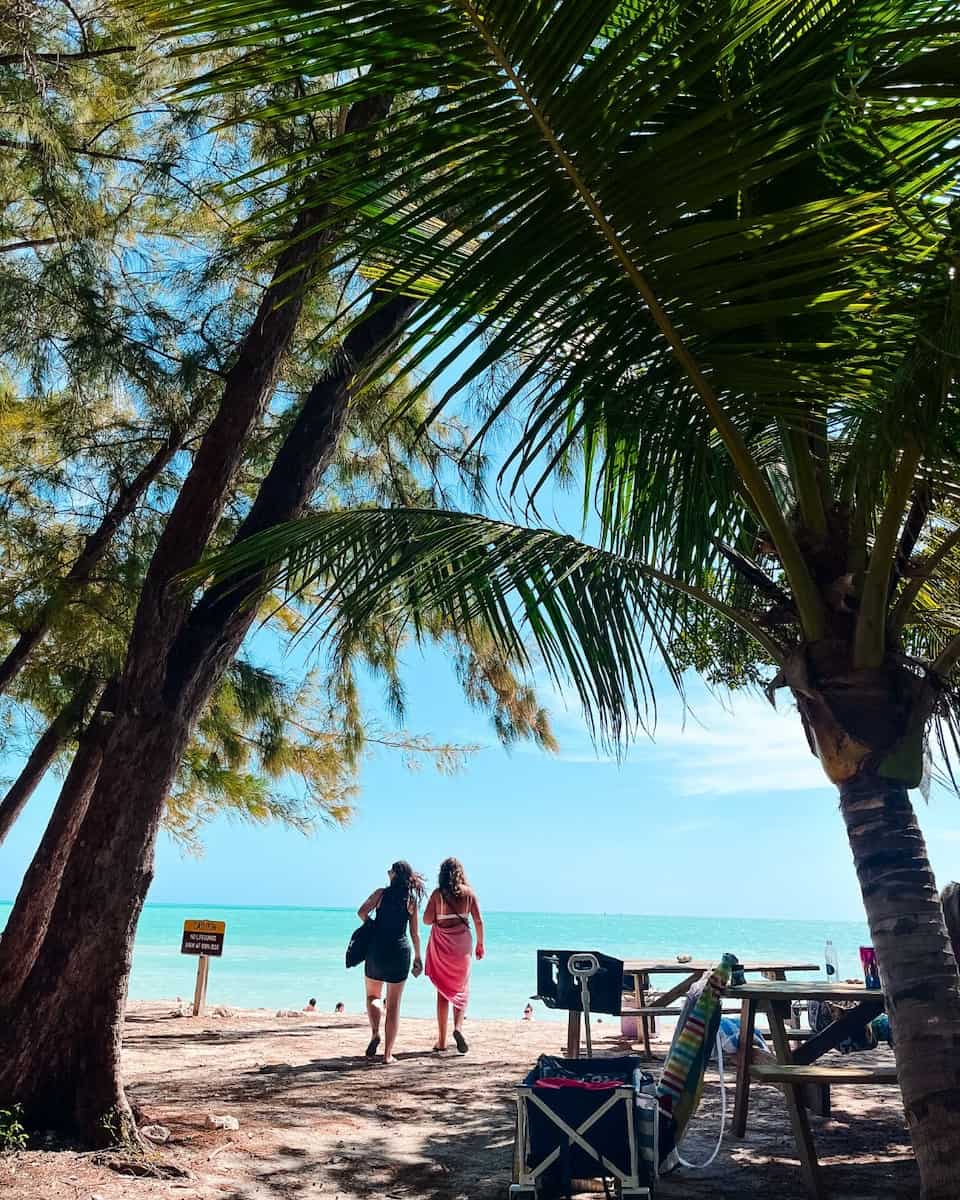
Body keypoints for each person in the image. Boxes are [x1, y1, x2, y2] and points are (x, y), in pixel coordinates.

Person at [357, 861, 425, 1065]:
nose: (388, 873)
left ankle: (376, 1032)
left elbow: (361, 912)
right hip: (400, 951)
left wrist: (373, 924)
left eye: (390, 871)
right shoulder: (411, 901)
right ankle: (387, 1055)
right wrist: (418, 957)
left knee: (373, 996)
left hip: (377, 949)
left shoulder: (380, 894)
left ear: (395, 875)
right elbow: (415, 933)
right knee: (394, 1005)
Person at [423, 857, 484, 1054]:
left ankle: (441, 1042)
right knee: (461, 989)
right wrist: (480, 944)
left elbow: (426, 920)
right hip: (462, 946)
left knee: (443, 992)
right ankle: (457, 1028)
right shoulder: (469, 894)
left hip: (443, 946)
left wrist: (439, 916)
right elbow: (478, 921)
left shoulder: (438, 895)